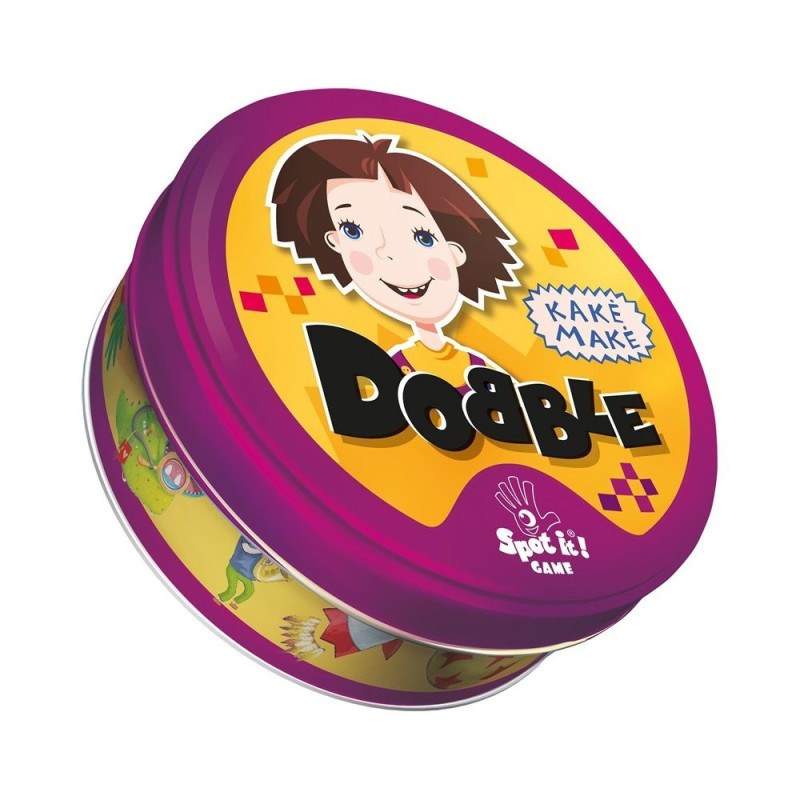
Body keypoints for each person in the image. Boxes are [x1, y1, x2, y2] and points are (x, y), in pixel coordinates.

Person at [268, 133, 522, 392]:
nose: (388, 252)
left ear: (456, 250)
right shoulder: (390, 369)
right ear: (334, 242)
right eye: (353, 231)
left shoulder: (480, 367)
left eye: (423, 237)